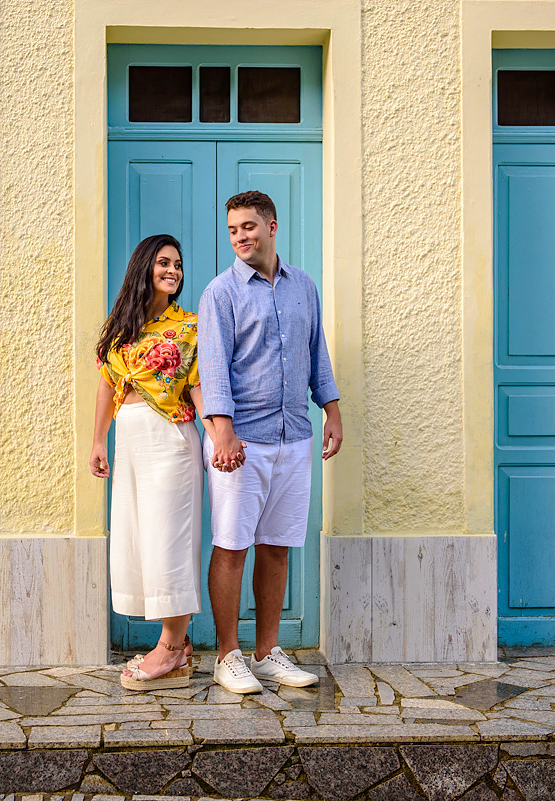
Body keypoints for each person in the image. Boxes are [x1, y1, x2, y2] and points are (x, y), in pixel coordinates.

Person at [197, 191, 342, 694]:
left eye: (249, 227)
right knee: (232, 546)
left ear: (272, 226)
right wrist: (224, 432)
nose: (240, 237)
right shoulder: (220, 293)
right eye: (234, 229)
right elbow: (213, 369)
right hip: (241, 441)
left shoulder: (304, 286)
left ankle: (267, 654)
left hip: (294, 436)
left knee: (277, 548)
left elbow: (315, 350)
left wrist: (331, 410)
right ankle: (227, 656)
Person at [90, 233, 222, 690]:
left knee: (169, 540)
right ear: (144, 267)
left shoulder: (189, 326)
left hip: (171, 442)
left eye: (178, 265)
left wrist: (220, 436)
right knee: (141, 539)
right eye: (164, 262)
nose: (173, 271)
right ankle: (179, 647)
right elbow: (108, 384)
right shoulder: (121, 327)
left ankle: (169, 647)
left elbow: (202, 386)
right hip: (129, 440)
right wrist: (98, 441)